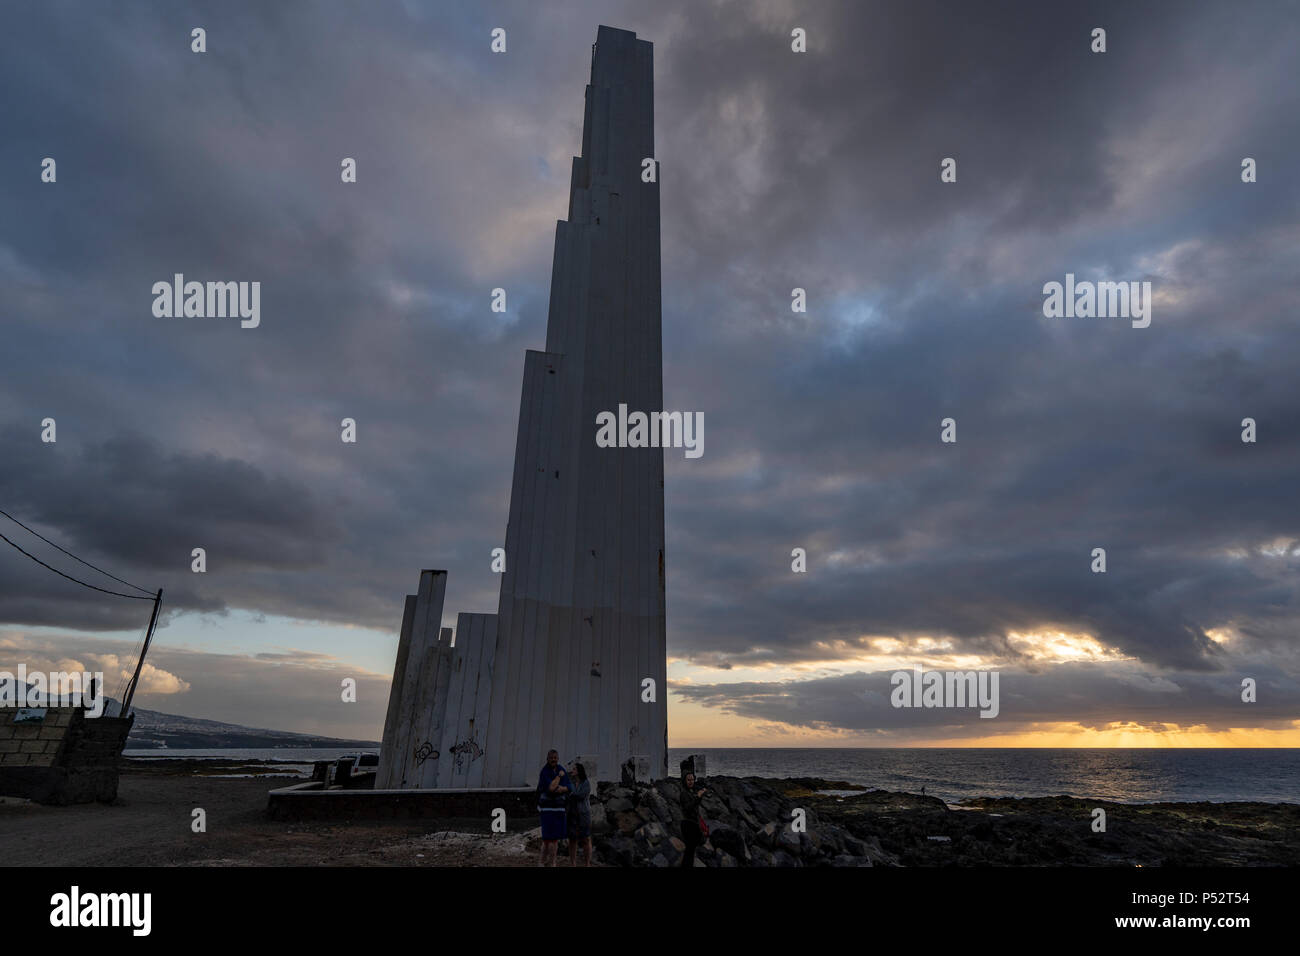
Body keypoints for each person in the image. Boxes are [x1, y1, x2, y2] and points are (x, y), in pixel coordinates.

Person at [536, 749, 571, 866]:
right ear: (547, 759)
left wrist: (562, 789)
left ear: (558, 758)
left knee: (554, 839)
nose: (553, 760)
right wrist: (559, 778)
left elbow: (569, 786)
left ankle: (550, 862)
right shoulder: (544, 772)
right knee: (547, 838)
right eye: (551, 758)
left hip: (559, 809)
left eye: (555, 758)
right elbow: (551, 788)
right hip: (547, 809)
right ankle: (545, 862)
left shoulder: (562, 769)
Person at [566, 762, 593, 867]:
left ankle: (587, 863)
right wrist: (571, 794)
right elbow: (568, 794)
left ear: (579, 771)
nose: (572, 771)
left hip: (583, 814)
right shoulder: (571, 782)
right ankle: (573, 863)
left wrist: (571, 794)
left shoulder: (586, 783)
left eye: (574, 769)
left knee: (586, 838)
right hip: (572, 814)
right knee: (572, 839)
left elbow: (580, 795)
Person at [679, 770, 708, 867]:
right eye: (688, 780)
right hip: (688, 824)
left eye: (692, 779)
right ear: (684, 781)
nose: (691, 782)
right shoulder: (683, 793)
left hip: (694, 824)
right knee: (689, 850)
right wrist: (698, 797)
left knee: (691, 850)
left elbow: (695, 807)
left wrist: (699, 796)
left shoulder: (691, 791)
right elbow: (688, 808)